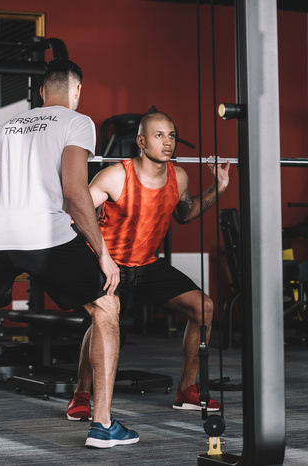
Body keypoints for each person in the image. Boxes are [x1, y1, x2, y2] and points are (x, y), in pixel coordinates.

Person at [0, 58, 139, 449]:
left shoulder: (8, 126)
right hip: (43, 232)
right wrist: (102, 251)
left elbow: (0, 182)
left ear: (43, 93)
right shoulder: (77, 121)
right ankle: (102, 424)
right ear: (76, 91)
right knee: (105, 308)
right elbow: (74, 191)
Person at [66, 110, 230, 422]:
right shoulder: (116, 176)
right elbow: (76, 212)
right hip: (108, 264)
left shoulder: (179, 177)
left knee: (204, 307)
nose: (168, 142)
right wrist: (97, 256)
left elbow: (185, 214)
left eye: (171, 135)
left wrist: (217, 189)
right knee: (103, 321)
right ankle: (82, 393)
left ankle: (187, 390)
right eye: (159, 135)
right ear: (141, 141)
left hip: (147, 264)